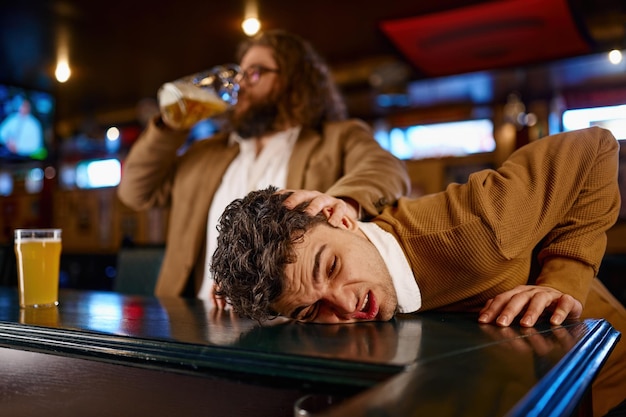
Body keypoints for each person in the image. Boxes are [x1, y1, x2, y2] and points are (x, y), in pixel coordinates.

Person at [211, 126, 626, 416]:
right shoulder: (329, 283)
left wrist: (564, 277)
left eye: (332, 266)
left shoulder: (483, 227)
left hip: (605, 377)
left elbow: (595, 147)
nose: (344, 305)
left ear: (341, 217)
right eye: (310, 310)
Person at [117, 29, 410, 301]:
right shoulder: (204, 153)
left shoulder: (337, 137)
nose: (240, 84)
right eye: (240, 74)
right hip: (199, 318)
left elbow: (386, 169)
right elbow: (135, 192)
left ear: (294, 80)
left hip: (293, 324)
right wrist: (170, 126)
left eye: (255, 73)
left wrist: (343, 203)